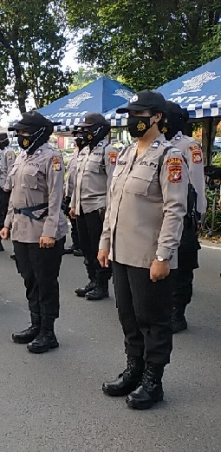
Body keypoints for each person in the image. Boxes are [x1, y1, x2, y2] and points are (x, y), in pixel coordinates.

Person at [99, 90, 189, 410]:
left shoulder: (170, 156)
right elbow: (115, 203)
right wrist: (105, 242)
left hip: (149, 256)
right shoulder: (125, 153)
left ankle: (154, 379)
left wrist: (163, 256)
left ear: (157, 118)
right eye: (130, 115)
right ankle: (134, 368)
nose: (132, 120)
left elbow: (175, 210)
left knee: (153, 319)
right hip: (122, 252)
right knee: (128, 316)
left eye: (139, 115)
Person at [1, 111, 67, 354]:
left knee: (45, 280)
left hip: (42, 229)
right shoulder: (21, 157)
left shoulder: (53, 158)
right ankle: (35, 323)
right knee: (29, 278)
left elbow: (56, 197)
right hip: (21, 228)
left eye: (25, 132)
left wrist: (50, 231)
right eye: (19, 132)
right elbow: (15, 195)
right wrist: (7, 223)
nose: (21, 136)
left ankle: (48, 332)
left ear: (39, 132)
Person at [164, 101, 206, 333]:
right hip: (159, 214)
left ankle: (177, 312)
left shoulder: (190, 146)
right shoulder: (154, 145)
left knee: (182, 267)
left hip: (183, 215)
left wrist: (197, 216)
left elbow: (198, 184)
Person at [70, 113, 117, 301]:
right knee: (86, 247)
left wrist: (109, 211)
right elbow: (77, 182)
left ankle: (102, 284)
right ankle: (92, 280)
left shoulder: (109, 151)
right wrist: (73, 205)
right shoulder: (83, 152)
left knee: (100, 248)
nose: (84, 132)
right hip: (82, 208)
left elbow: (113, 183)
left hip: (98, 208)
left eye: (87, 129)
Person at [0, 132, 16, 253]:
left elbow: (11, 170)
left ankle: (1, 239)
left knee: (2, 212)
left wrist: (7, 186)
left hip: (5, 186)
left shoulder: (9, 152)